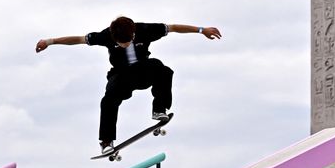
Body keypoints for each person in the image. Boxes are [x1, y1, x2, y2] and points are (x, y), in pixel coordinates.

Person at [36, 16, 221, 156]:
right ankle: (106, 141)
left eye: (127, 42)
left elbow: (173, 28)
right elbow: (78, 40)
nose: (124, 45)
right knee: (108, 100)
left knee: (163, 70)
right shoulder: (105, 36)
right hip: (121, 75)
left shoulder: (146, 30)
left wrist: (201, 29)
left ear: (133, 34)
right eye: (119, 43)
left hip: (143, 70)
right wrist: (50, 42)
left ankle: (159, 109)